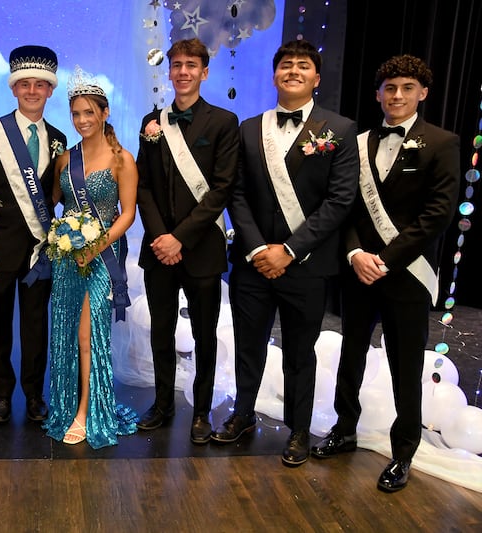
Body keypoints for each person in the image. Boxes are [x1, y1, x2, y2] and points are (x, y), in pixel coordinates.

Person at [311, 55, 460, 491]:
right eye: (390, 88)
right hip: (359, 270)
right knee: (350, 356)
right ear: (379, 93)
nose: (397, 96)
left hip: (406, 274)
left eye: (407, 88)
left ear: (423, 92)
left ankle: (403, 452)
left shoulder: (443, 142)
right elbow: (347, 206)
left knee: (404, 364)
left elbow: (438, 214)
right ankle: (344, 430)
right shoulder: (355, 142)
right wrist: (357, 252)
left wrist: (386, 260)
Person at [214, 40, 359, 467]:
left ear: (316, 78)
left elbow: (340, 200)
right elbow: (236, 194)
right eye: (285, 65)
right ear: (274, 75)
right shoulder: (248, 128)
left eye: (303, 65)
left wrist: (289, 251)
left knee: (300, 351)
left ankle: (298, 429)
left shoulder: (341, 129)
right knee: (248, 345)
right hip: (253, 262)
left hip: (307, 265)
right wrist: (260, 248)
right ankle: (242, 414)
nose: (293, 71)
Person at [135, 37, 239, 445]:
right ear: (169, 70)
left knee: (204, 335)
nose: (182, 72)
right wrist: (162, 237)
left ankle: (200, 412)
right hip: (159, 248)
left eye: (191, 65)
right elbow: (143, 186)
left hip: (202, 249)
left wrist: (180, 238)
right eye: (176, 65)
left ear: (204, 72)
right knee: (160, 330)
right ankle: (163, 404)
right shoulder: (151, 120)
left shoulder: (223, 122)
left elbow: (222, 188)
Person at [0, 45, 67, 424]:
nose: (31, 91)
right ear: (13, 89)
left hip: (39, 252)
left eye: (39, 85)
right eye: (24, 84)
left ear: (49, 90)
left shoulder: (58, 137)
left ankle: (33, 393)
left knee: (35, 328)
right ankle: (2, 394)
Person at [43, 66, 139, 448]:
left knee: (89, 335)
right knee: (66, 333)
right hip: (69, 258)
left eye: (89, 112)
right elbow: (54, 204)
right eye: (76, 114)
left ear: (104, 113)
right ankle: (67, 406)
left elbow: (128, 213)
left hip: (103, 257)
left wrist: (96, 246)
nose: (82, 120)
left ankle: (88, 411)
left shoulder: (122, 159)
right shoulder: (66, 160)